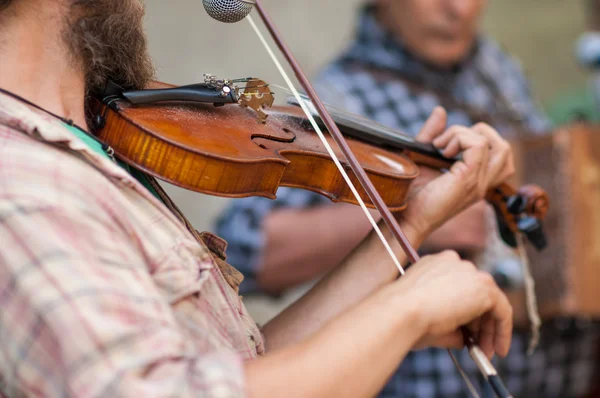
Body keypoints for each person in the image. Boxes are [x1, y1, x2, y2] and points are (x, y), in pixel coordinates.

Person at [0, 0, 520, 397]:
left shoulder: (85, 148)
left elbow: (241, 368)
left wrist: (409, 226)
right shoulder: (25, 185)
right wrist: (407, 309)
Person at [216, 0, 600, 397]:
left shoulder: (496, 68)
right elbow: (247, 248)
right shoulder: (337, 98)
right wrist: (411, 210)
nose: (460, 9)